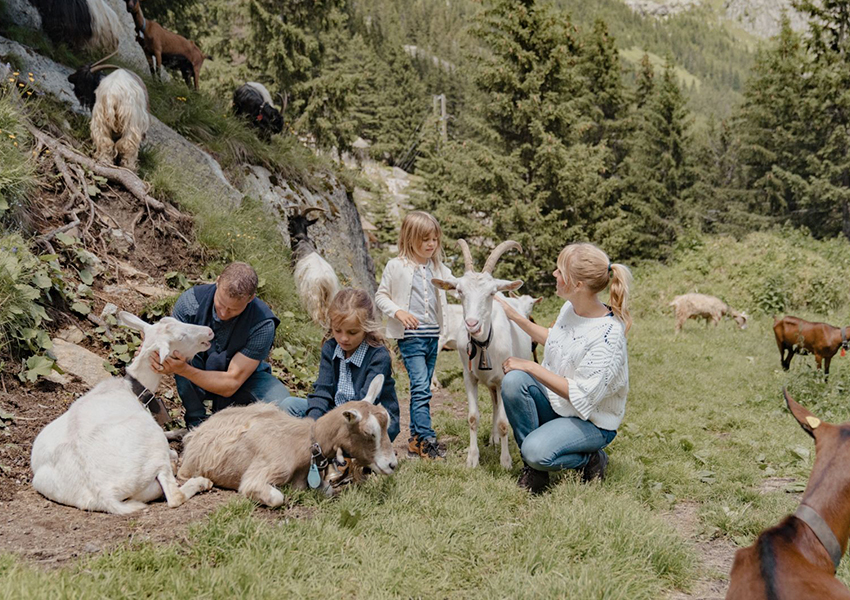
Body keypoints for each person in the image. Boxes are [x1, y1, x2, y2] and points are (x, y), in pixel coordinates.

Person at [498, 242, 631, 493]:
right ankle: (535, 469)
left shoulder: (608, 337)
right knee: (514, 381)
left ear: (578, 285)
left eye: (560, 271)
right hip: (559, 404)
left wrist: (531, 366)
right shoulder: (570, 308)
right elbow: (558, 341)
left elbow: (582, 395)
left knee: (536, 451)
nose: (554, 274)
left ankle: (590, 459)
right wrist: (514, 316)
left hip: (592, 421)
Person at [151, 262, 291, 429]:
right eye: (221, 304)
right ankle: (196, 423)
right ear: (217, 282)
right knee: (181, 356)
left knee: (283, 404)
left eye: (233, 310)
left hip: (243, 378)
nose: (224, 313)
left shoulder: (262, 323)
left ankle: (241, 426)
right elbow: (168, 344)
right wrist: (158, 357)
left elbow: (231, 383)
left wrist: (183, 370)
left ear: (251, 298)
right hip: (196, 365)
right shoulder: (191, 302)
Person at [375, 211, 454, 460]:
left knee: (422, 388)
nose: (431, 244)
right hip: (411, 338)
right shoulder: (396, 266)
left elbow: (459, 285)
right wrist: (398, 312)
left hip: (433, 338)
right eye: (425, 239)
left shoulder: (439, 268)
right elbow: (381, 296)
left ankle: (416, 441)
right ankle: (428, 438)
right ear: (410, 239)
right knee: (421, 387)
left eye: (435, 239)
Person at [273, 288, 400, 441]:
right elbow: (322, 392)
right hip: (335, 412)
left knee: (362, 431)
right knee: (290, 405)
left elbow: (364, 404)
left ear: (366, 329)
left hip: (366, 416)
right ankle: (313, 453)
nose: (343, 338)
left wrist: (330, 426)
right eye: (337, 330)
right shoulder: (330, 348)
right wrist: (311, 425)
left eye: (352, 332)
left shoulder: (378, 356)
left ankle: (339, 454)